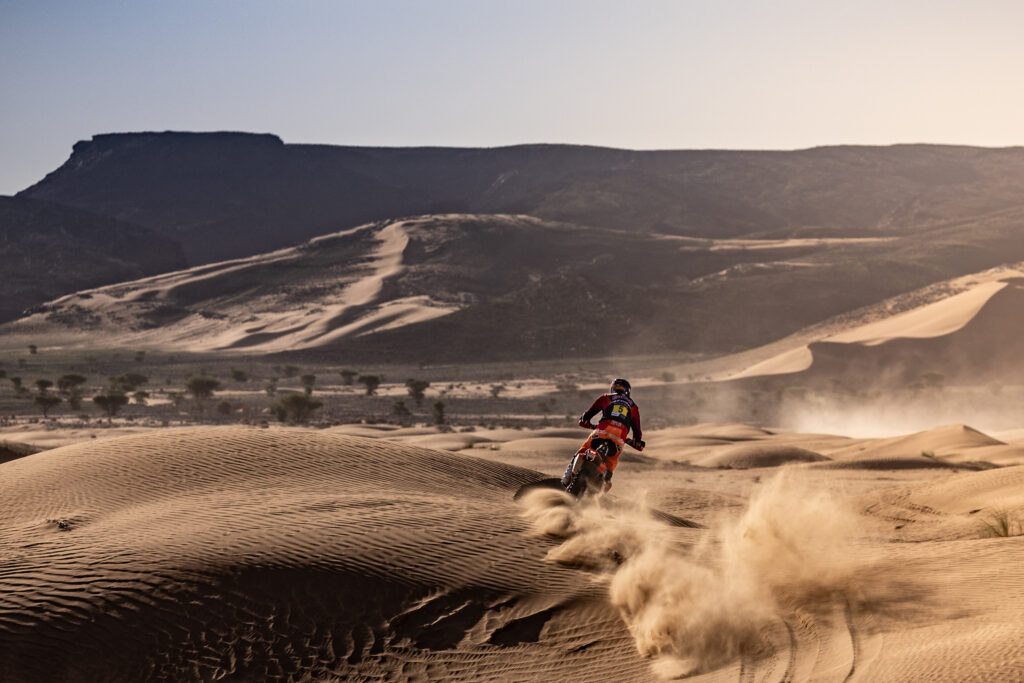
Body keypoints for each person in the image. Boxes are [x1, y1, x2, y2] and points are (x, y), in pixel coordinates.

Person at [561, 378, 643, 490]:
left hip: (603, 430)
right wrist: (637, 442)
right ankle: (606, 480)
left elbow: (588, 414)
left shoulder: (606, 398)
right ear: (628, 391)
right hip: (619, 437)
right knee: (611, 462)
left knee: (584, 449)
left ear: (612, 388)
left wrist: (584, 421)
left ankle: (567, 477)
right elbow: (637, 430)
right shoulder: (633, 407)